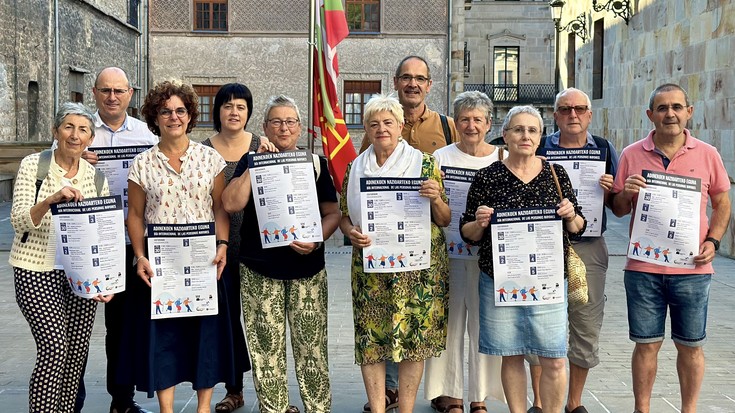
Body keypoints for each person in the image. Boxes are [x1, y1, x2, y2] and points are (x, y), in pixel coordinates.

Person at [610, 83, 731, 413]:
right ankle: (642, 409)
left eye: (677, 107)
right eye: (662, 108)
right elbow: (619, 209)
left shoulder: (708, 154)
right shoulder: (632, 154)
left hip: (692, 270)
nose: (670, 114)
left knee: (691, 346)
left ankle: (688, 409)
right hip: (643, 269)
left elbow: (722, 202)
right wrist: (626, 193)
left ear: (689, 112)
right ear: (650, 115)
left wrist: (713, 241)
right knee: (646, 345)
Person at [460, 105, 586, 413]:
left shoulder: (556, 174)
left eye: (532, 130)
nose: (525, 135)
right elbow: (468, 232)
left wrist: (571, 215)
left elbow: (579, 228)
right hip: (501, 281)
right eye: (518, 129)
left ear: (540, 137)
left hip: (548, 283)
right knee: (511, 354)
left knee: (554, 358)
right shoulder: (487, 177)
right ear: (504, 135)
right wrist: (479, 221)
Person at [221, 95, 339, 413]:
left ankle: (318, 408)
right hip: (259, 268)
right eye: (276, 121)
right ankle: (273, 408)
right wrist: (254, 163)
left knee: (311, 348)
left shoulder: (315, 164)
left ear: (299, 128)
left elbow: (332, 213)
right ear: (265, 128)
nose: (283, 127)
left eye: (290, 122)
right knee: (265, 349)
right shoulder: (250, 160)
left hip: (308, 269)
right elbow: (230, 204)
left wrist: (316, 240)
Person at [126, 80, 236, 413]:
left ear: (190, 116)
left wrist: (223, 245)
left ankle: (203, 407)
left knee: (204, 336)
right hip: (162, 265)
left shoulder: (210, 159)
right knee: (165, 338)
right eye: (165, 111)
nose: (173, 117)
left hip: (203, 260)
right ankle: (167, 409)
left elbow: (219, 208)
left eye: (180, 111)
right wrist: (139, 256)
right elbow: (134, 214)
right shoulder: (143, 163)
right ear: (155, 117)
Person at [359, 54, 458, 413]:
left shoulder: (431, 155)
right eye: (375, 123)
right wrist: (351, 231)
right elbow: (345, 211)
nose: (382, 128)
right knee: (374, 334)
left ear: (400, 126)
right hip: (371, 261)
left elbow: (445, 217)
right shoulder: (359, 164)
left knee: (413, 335)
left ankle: (410, 404)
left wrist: (434, 198)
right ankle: (381, 399)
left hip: (418, 262)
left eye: (388, 122)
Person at [10, 102, 113, 412]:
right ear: (56, 132)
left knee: (77, 353)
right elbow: (18, 221)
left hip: (80, 275)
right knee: (55, 347)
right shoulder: (34, 166)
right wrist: (52, 199)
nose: (75, 135)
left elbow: (103, 235)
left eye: (82, 129)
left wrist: (104, 280)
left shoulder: (96, 178)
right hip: (35, 270)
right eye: (68, 127)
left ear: (90, 139)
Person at [526, 87, 619, 413]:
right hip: (544, 243)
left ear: (589, 115)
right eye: (565, 109)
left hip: (590, 247)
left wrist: (611, 192)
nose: (573, 115)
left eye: (579, 109)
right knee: (539, 321)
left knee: (586, 323)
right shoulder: (539, 147)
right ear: (555, 115)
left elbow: (620, 208)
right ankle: (539, 402)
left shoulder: (605, 149)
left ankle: (574, 402)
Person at [72, 66, 158, 413]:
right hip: (84, 244)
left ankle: (121, 401)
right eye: (105, 91)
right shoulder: (77, 131)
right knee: (73, 330)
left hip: (129, 244)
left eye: (119, 91)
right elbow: (49, 176)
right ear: (94, 93)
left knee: (121, 328)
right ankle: (68, 402)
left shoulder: (145, 135)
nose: (112, 97)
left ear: (130, 95)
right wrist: (75, 160)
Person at [424, 91, 504, 413]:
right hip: (448, 255)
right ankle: (451, 395)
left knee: (484, 328)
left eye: (478, 120)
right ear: (456, 124)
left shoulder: (500, 158)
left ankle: (479, 397)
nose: (471, 125)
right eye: (464, 119)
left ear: (488, 123)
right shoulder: (439, 158)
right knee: (450, 327)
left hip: (489, 259)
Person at [201, 83, 263, 413]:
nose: (234, 112)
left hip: (254, 246)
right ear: (218, 111)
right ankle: (233, 388)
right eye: (227, 106)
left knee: (255, 318)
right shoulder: (202, 150)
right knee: (225, 318)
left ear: (248, 112)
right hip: (216, 248)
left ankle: (268, 386)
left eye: (240, 106)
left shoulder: (260, 146)